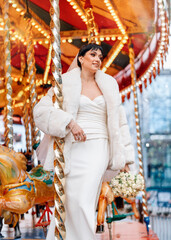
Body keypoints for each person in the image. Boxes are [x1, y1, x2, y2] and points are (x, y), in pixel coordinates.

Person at [33, 43, 135, 240]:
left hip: (99, 146)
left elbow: (119, 122)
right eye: (92, 54)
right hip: (74, 147)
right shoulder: (66, 83)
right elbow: (41, 111)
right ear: (80, 58)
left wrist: (126, 160)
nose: (97, 58)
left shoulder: (109, 84)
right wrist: (68, 122)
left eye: (100, 56)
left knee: (82, 200)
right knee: (69, 199)